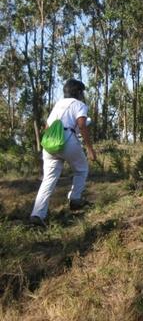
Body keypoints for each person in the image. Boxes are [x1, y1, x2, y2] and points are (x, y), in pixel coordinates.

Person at [30, 79, 97, 228]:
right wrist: (90, 149)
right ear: (78, 92)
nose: (82, 95)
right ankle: (75, 199)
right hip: (67, 138)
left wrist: (53, 144)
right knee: (82, 168)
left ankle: (37, 215)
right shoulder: (79, 105)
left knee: (48, 179)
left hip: (50, 142)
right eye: (82, 92)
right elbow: (81, 125)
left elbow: (47, 126)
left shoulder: (58, 104)